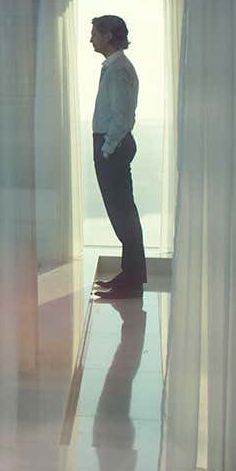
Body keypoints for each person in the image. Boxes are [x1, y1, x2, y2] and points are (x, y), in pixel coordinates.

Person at [90, 15, 146, 299]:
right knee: (122, 213)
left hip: (113, 145)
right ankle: (129, 278)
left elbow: (124, 116)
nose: (91, 39)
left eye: (95, 34)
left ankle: (132, 282)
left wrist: (107, 148)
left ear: (109, 36)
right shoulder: (113, 68)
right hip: (110, 144)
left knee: (123, 214)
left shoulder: (118, 70)